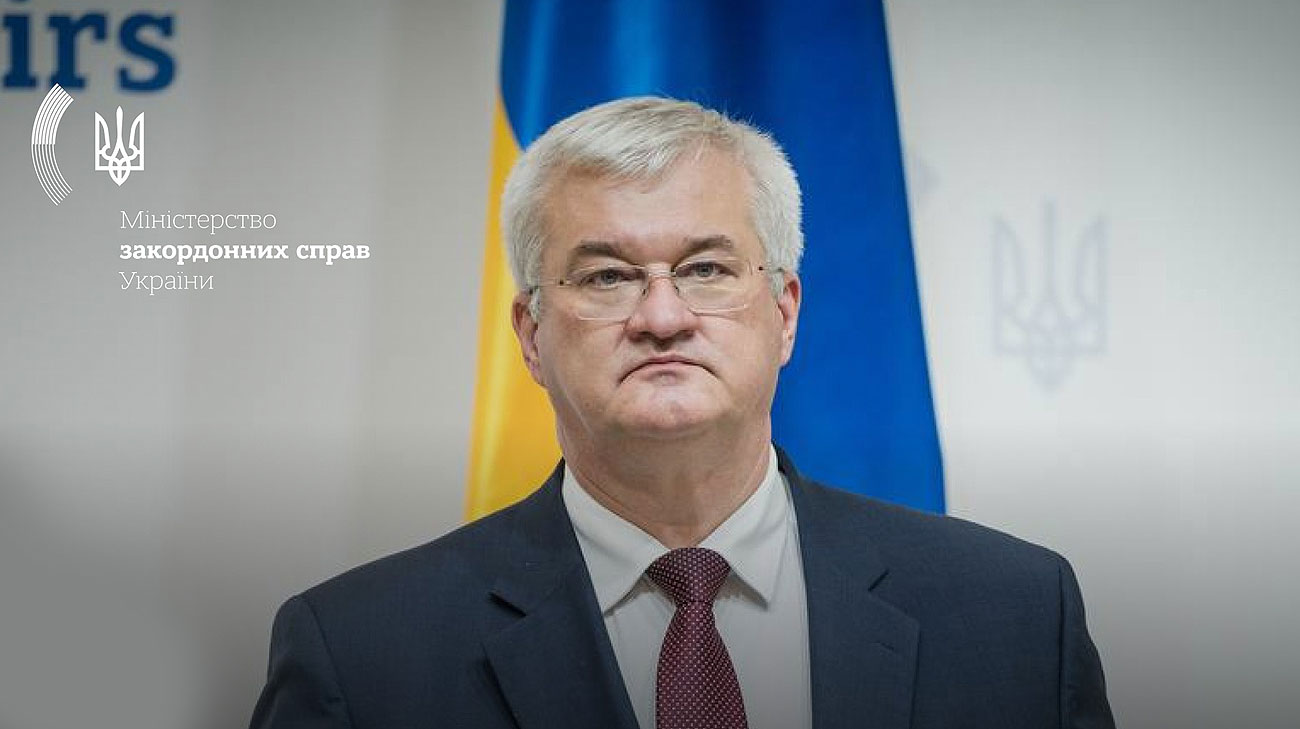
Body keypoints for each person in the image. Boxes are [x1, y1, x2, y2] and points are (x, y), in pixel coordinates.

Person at [249, 97, 1115, 729]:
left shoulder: (1015, 617)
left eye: (706, 269)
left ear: (785, 312)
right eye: (606, 276)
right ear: (531, 334)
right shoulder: (361, 655)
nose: (662, 317)